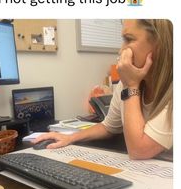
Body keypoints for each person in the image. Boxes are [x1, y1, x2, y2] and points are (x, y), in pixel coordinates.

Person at [33, 19, 173, 160]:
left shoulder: (134, 82)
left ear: (160, 45)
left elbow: (139, 151)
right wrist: (70, 138)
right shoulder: (129, 80)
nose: (121, 50)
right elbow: (108, 127)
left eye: (129, 39)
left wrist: (131, 86)